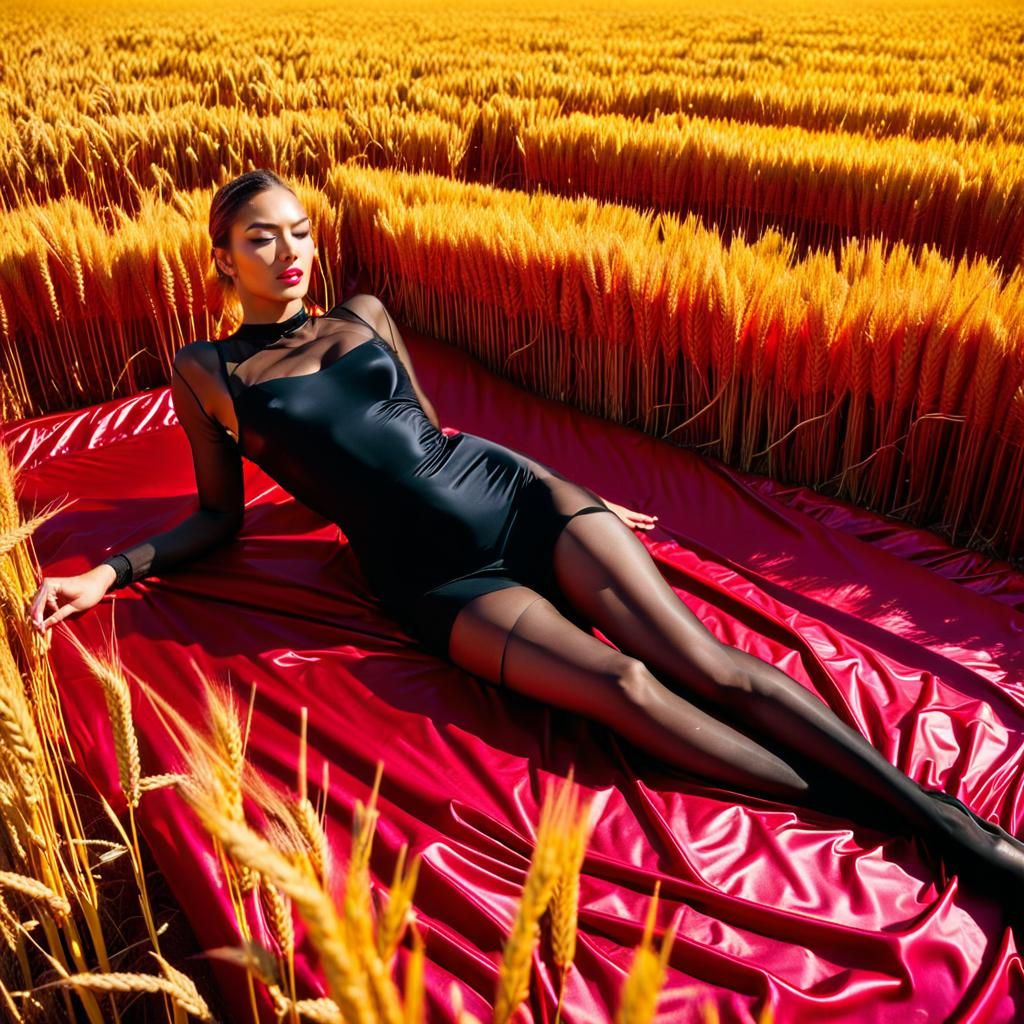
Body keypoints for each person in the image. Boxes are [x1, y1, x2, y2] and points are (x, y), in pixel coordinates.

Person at [26, 168, 1024, 918]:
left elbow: (430, 433)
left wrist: (575, 493)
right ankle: (873, 813)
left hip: (517, 495)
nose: (292, 254)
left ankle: (954, 834)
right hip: (432, 578)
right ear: (221, 256)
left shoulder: (364, 314)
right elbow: (219, 518)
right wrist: (105, 571)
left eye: (301, 234)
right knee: (627, 693)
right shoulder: (208, 372)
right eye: (262, 238)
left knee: (706, 664)